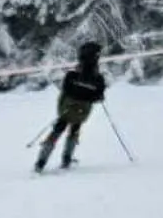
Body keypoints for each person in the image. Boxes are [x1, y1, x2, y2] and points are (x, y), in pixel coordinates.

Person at [34, 42, 108, 172]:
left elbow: (65, 91)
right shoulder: (99, 79)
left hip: (66, 110)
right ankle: (67, 159)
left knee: (57, 130)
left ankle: (41, 162)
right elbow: (99, 97)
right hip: (82, 112)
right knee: (75, 130)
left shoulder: (71, 75)